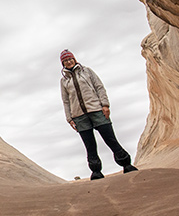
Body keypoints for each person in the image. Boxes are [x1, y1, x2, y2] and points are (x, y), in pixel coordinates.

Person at [59, 49, 138, 180]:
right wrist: (69, 118)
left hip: (96, 110)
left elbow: (99, 87)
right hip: (79, 117)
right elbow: (66, 100)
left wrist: (105, 105)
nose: (68, 62)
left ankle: (126, 164)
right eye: (65, 60)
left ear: (74, 59)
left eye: (70, 59)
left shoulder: (87, 71)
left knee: (110, 139)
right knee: (90, 146)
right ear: (63, 64)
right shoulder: (64, 81)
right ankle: (96, 172)